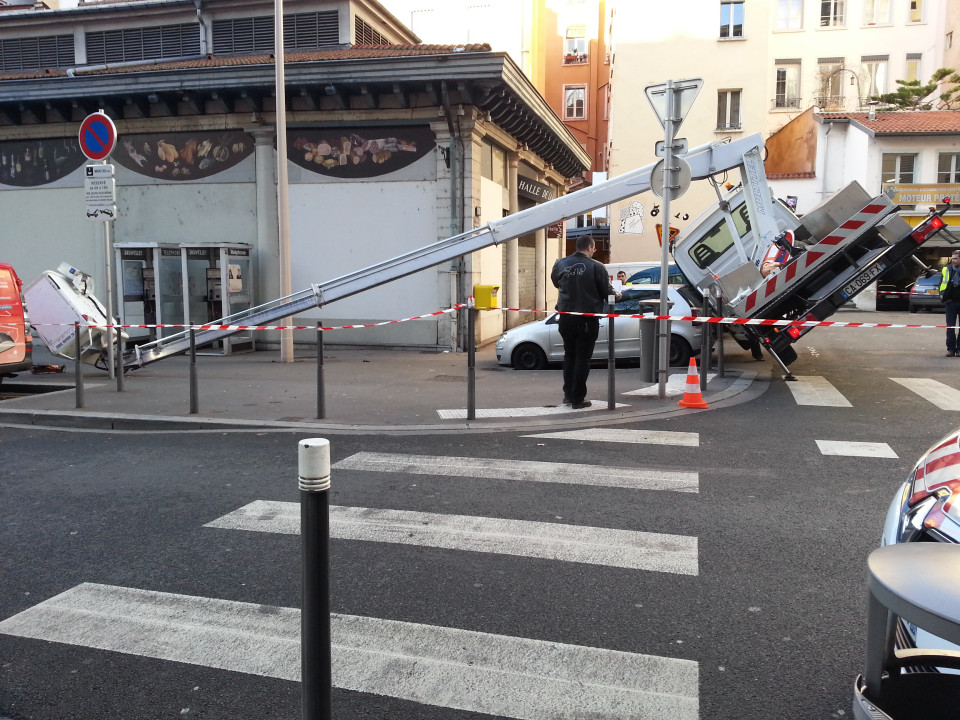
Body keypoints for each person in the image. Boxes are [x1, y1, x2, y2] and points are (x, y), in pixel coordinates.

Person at [551, 236, 617, 409]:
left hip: (565, 317)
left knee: (569, 356)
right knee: (582, 359)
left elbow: (556, 283)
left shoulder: (560, 264)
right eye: (594, 249)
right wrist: (618, 295)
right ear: (590, 247)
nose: (594, 251)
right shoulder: (596, 266)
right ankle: (578, 398)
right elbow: (607, 292)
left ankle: (568, 395)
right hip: (587, 319)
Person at [940, 250, 960, 356]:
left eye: (956, 258)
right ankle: (951, 349)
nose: (953, 260)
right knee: (950, 327)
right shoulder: (947, 269)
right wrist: (943, 298)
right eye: (952, 258)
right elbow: (942, 284)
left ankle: (959, 349)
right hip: (950, 303)